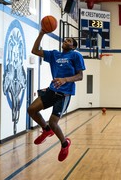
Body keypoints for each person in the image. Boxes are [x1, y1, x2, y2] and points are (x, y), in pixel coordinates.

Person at [28, 29, 86, 162]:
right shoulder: (54, 54)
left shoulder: (76, 56)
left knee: (54, 123)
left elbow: (80, 76)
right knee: (31, 110)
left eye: (69, 41)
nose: (65, 41)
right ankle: (46, 130)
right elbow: (35, 51)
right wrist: (42, 33)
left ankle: (65, 143)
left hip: (64, 94)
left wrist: (65, 79)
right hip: (51, 90)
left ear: (73, 46)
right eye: (65, 39)